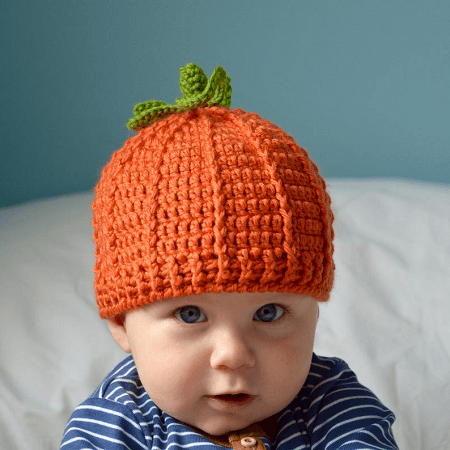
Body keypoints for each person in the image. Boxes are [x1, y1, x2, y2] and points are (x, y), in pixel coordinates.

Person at [60, 63, 398, 449]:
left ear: (315, 311)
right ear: (121, 323)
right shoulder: (112, 426)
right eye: (190, 314)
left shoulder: (333, 405)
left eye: (268, 312)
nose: (233, 355)